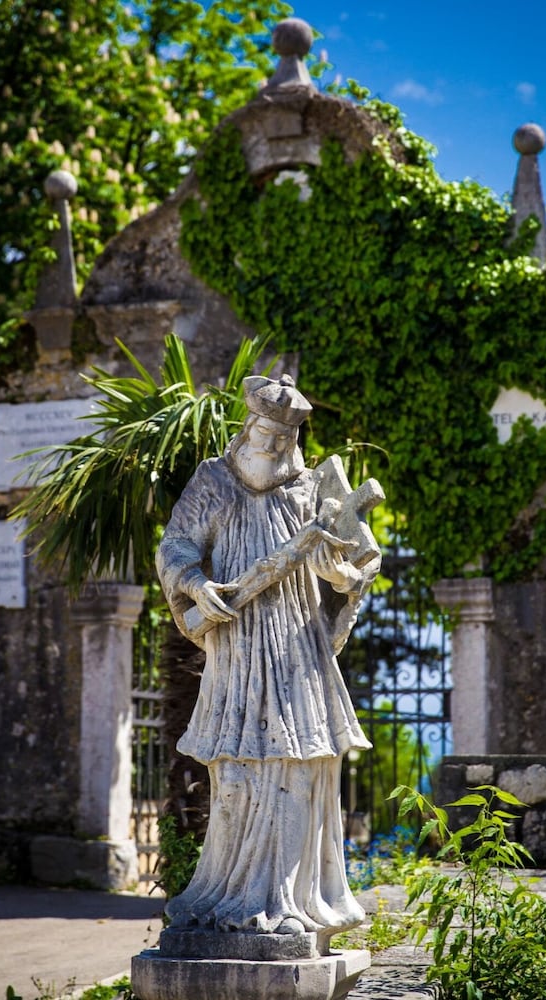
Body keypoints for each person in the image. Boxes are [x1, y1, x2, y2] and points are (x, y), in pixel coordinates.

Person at [156, 373, 379, 946]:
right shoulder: (213, 480)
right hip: (236, 645)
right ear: (246, 428)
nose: (274, 446)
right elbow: (176, 544)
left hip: (297, 646)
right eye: (264, 434)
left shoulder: (314, 490)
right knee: (233, 771)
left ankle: (289, 898)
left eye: (285, 439)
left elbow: (357, 565)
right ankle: (224, 895)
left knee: (300, 766)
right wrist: (196, 583)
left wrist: (340, 574)